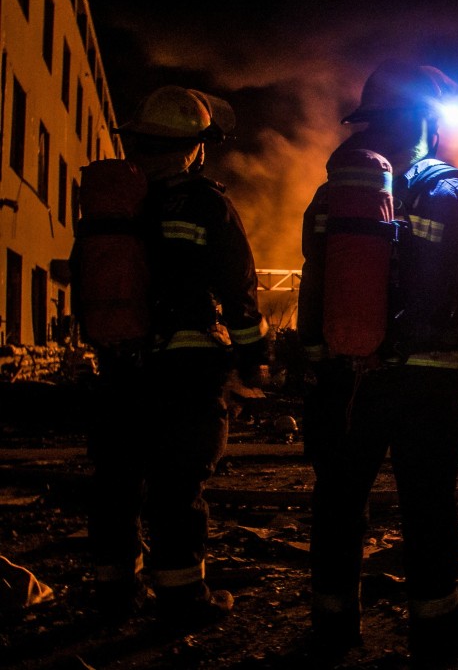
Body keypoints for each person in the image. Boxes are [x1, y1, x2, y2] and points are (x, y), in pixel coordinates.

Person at [298, 60, 458, 665]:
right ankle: (435, 626)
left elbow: (316, 277)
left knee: (338, 500)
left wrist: (317, 363)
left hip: (347, 375)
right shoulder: (449, 187)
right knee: (429, 503)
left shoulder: (337, 190)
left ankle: (334, 626)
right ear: (428, 119)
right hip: (425, 380)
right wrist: (456, 329)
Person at [74, 85, 269, 627]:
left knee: (116, 480)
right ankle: (184, 599)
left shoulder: (111, 207)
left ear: (136, 141)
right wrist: (254, 358)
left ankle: (115, 594)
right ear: (197, 146)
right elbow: (240, 292)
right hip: (186, 374)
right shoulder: (207, 204)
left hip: (119, 367)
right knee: (177, 488)